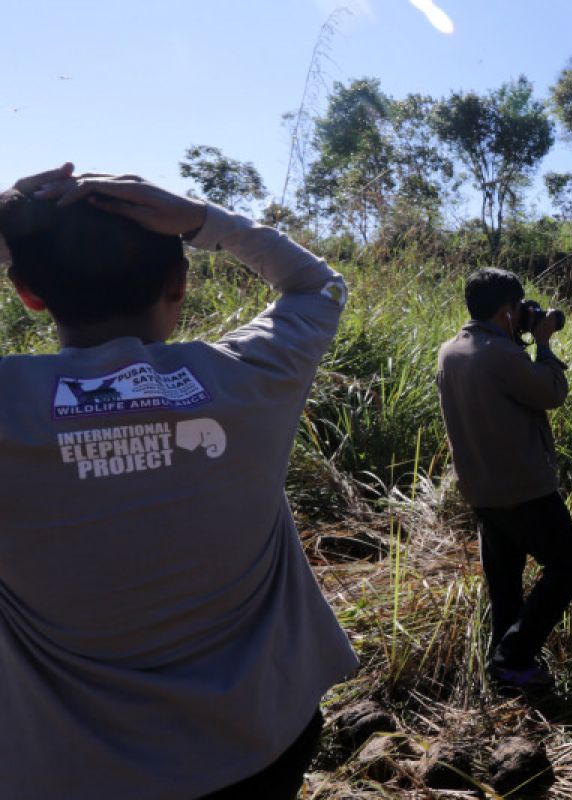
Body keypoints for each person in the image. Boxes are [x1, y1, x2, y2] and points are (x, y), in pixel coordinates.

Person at [0, 165, 358, 799]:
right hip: (261, 744)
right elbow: (317, 286)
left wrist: (7, 228)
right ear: (179, 283)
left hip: (74, 773)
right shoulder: (248, 376)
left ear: (29, 293)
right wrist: (202, 220)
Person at [436, 268, 572, 691]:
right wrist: (542, 343)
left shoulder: (451, 350)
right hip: (522, 489)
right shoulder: (501, 355)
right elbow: (553, 393)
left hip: (481, 490)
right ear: (506, 312)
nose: (523, 314)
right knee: (567, 564)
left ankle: (505, 673)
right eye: (519, 308)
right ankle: (513, 657)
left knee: (505, 585)